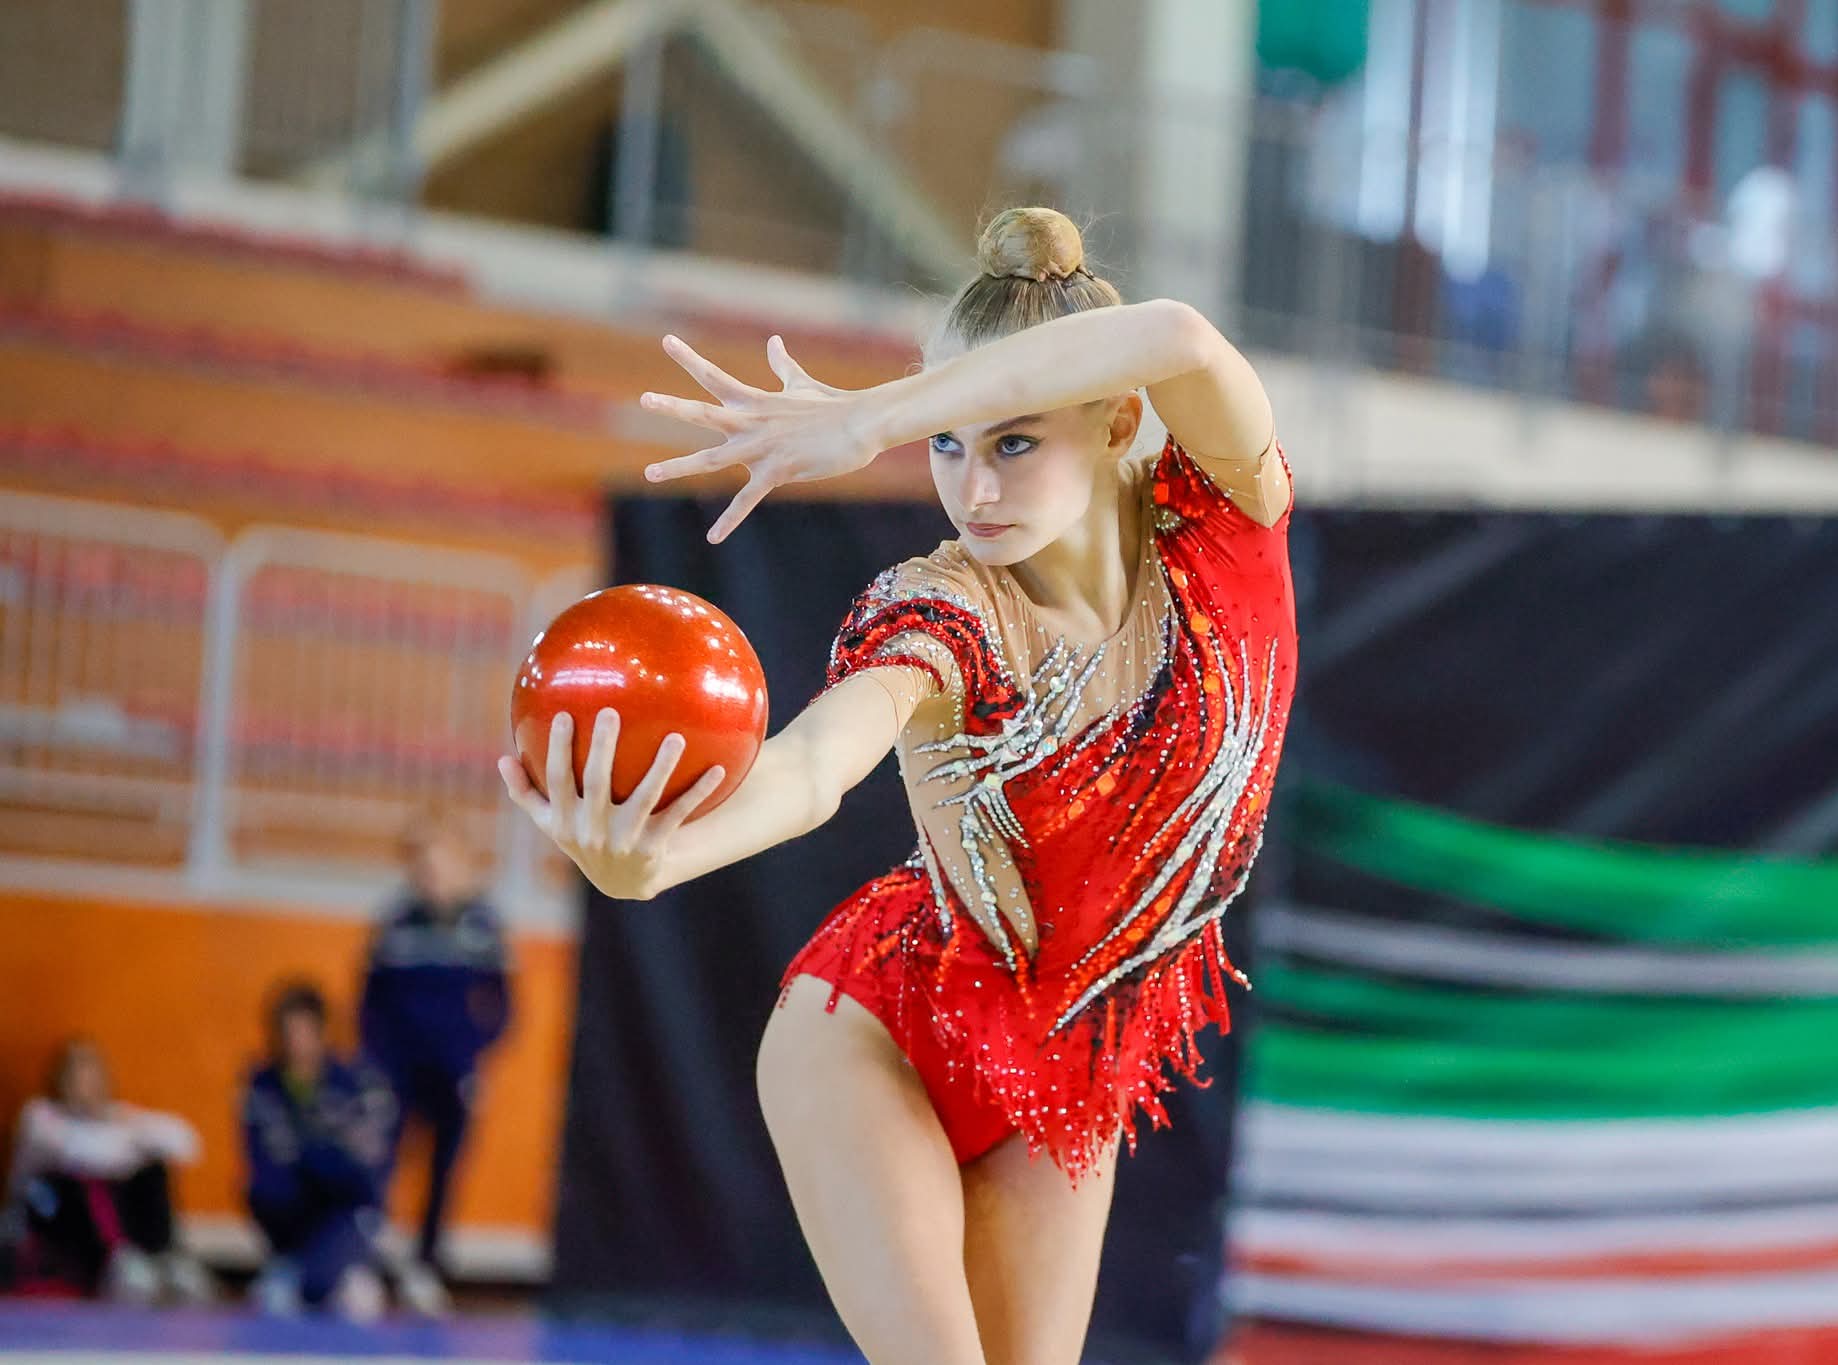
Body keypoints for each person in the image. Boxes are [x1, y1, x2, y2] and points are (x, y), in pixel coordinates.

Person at [499, 205, 1296, 1365]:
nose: (972, 488)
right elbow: (817, 765)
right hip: (876, 1027)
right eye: (945, 446)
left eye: (1010, 441)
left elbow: (1173, 332)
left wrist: (875, 416)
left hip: (1064, 1071)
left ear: (1116, 418)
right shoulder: (946, 606)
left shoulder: (1222, 518)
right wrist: (660, 858)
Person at [358, 808, 510, 1298]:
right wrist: (376, 1062)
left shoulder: (484, 923)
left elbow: (502, 1004)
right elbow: (369, 1001)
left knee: (444, 1170)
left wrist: (475, 1060)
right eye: (419, 859)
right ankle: (364, 1263)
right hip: (398, 1069)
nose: (430, 868)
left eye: (438, 857)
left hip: (453, 1071)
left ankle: (426, 1264)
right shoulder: (396, 920)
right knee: (380, 1162)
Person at [4, 1038, 213, 1303]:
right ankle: (117, 1262)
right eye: (76, 1075)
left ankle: (160, 1255)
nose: (85, 1084)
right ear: (59, 1079)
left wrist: (122, 1127)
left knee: (152, 1170)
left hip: (116, 1225)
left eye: (92, 1075)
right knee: (83, 1179)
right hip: (55, 1232)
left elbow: (185, 1143)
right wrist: (130, 1140)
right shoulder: (39, 1116)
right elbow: (81, 1153)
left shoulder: (117, 1116)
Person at [242, 980, 393, 1322]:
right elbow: (264, 1165)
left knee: (330, 1289)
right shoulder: (262, 1086)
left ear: (322, 1032)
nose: (296, 1042)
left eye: (304, 1031)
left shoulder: (356, 1085)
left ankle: (345, 1267)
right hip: (293, 1211)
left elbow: (364, 1169)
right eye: (288, 1032)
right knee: (279, 1298)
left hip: (347, 1210)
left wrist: (311, 1158)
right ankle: (290, 1261)